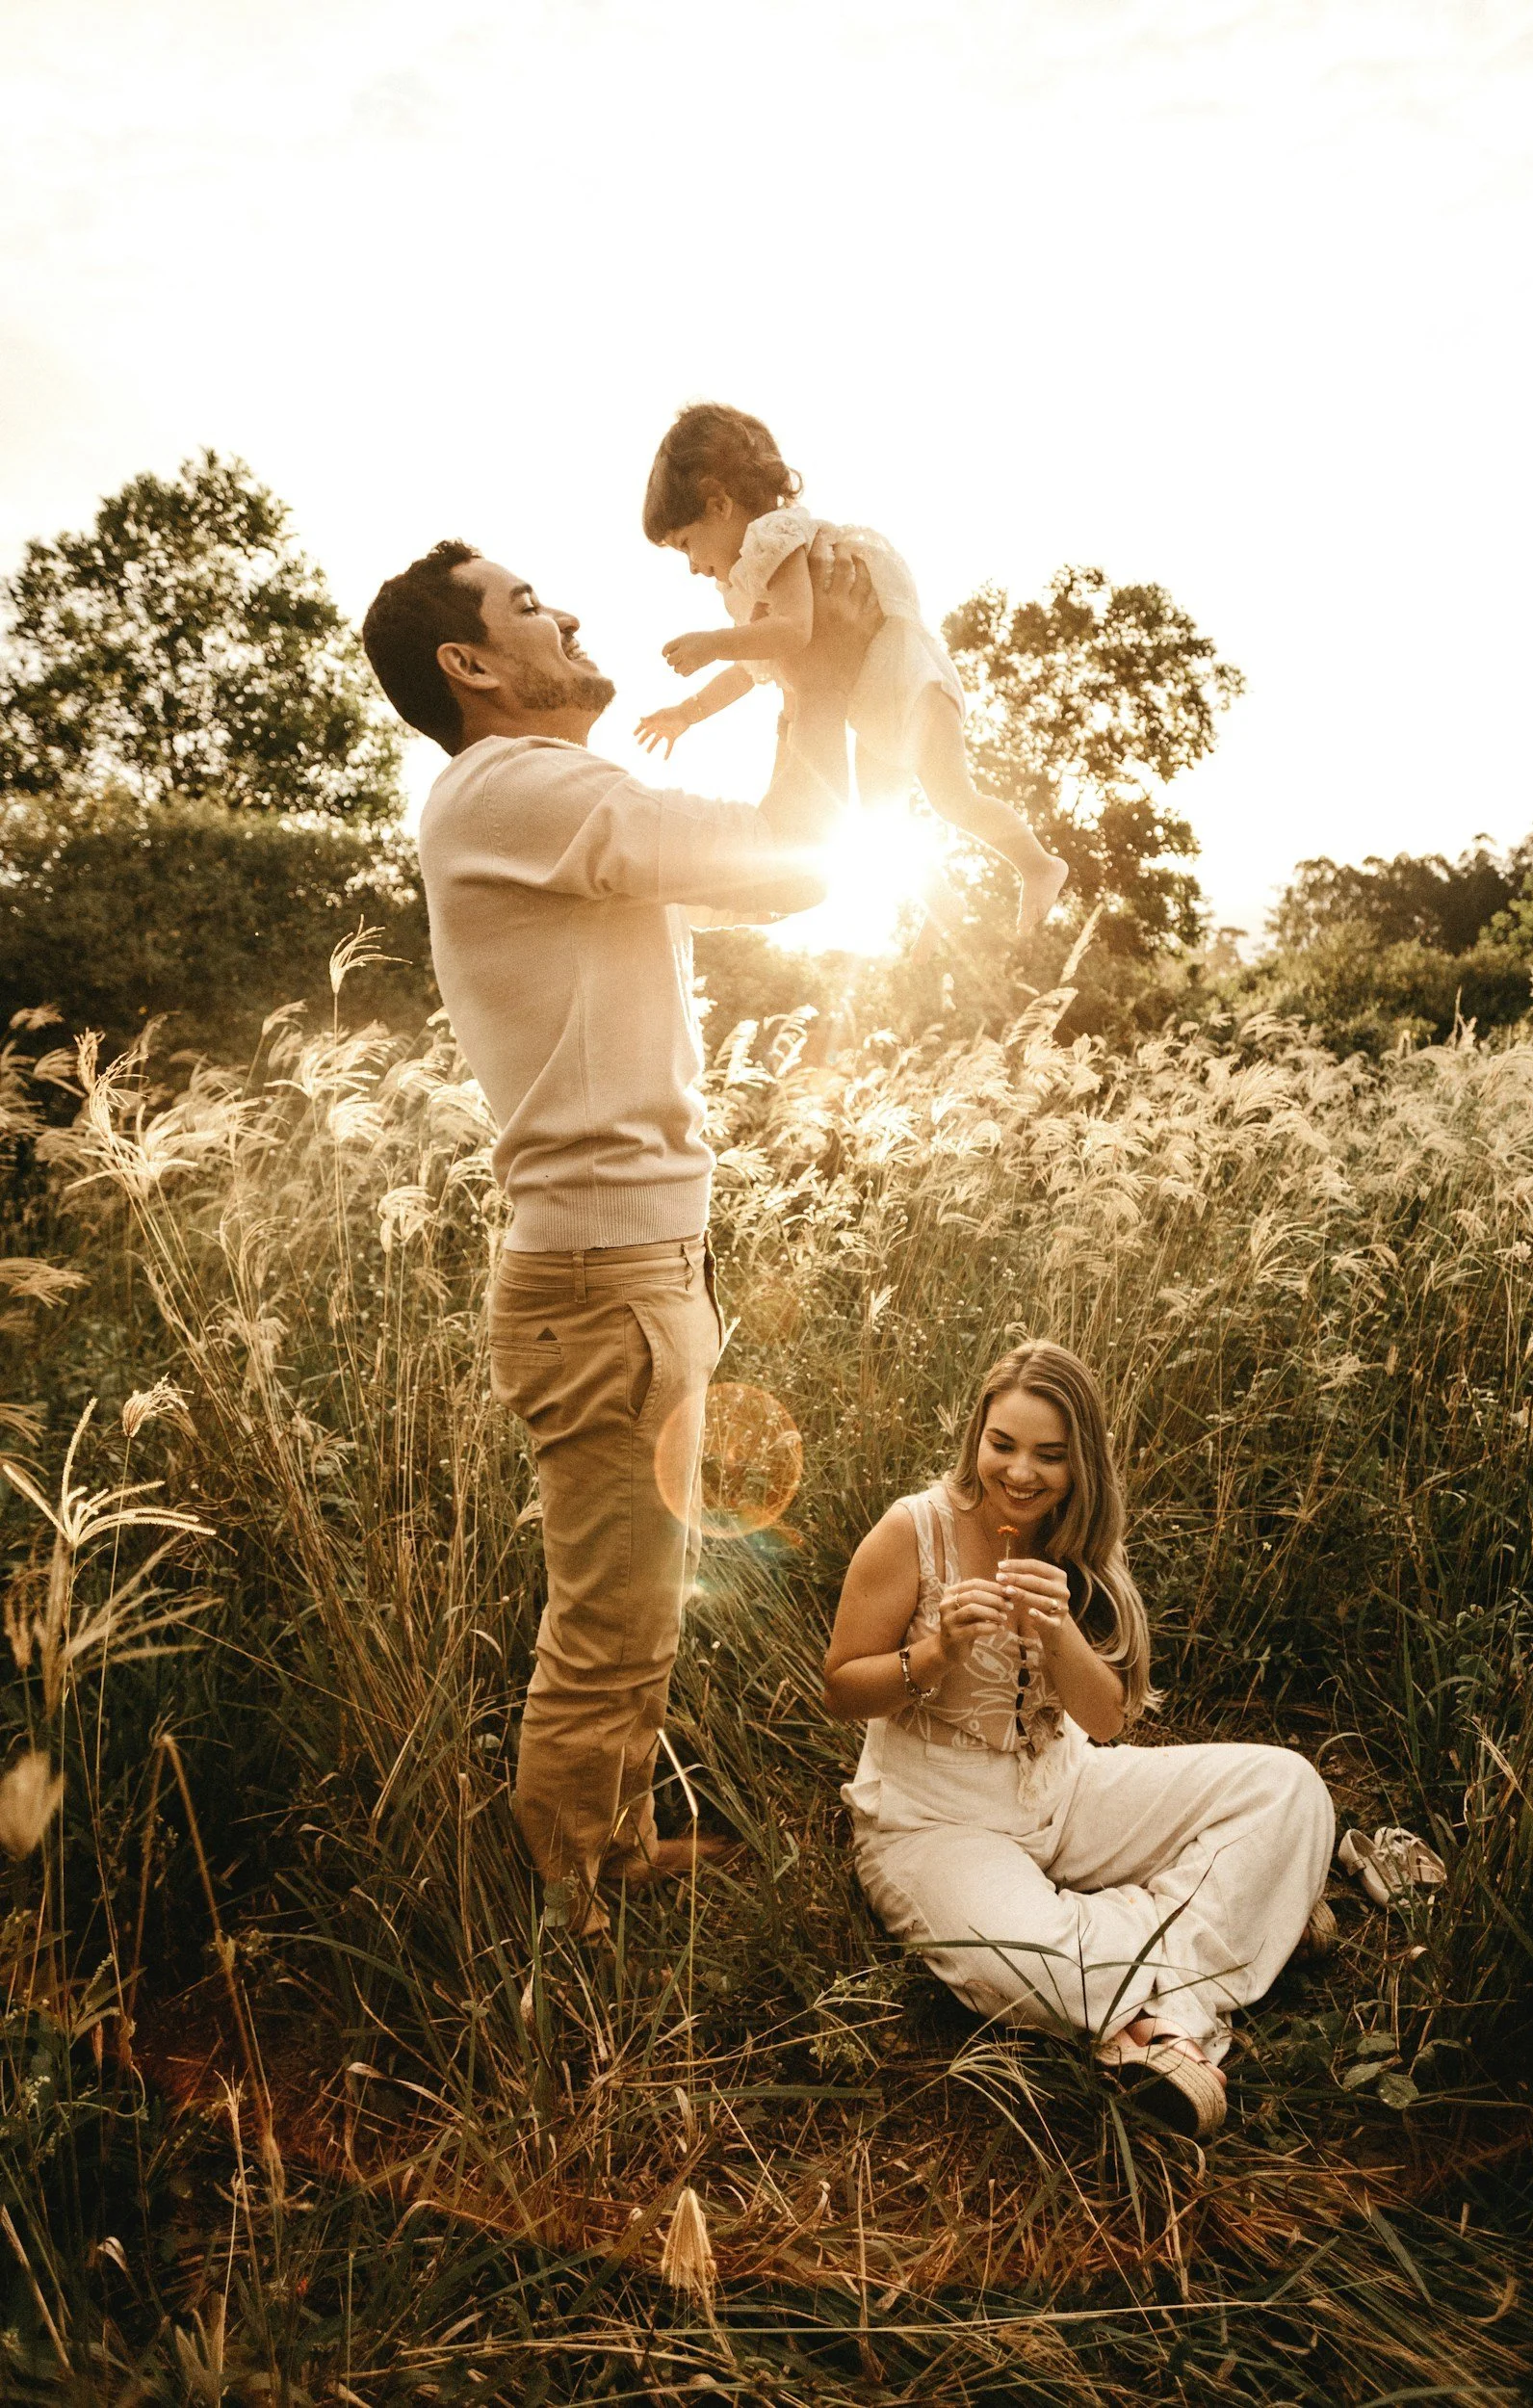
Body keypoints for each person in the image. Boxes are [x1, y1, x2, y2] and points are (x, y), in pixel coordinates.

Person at [361, 536, 881, 1939]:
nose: (570, 610)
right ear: (469, 665)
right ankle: (566, 1924)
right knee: (606, 1622)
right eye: (528, 603)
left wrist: (808, 684)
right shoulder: (514, 785)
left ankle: (618, 1842)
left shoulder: (531, 801)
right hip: (602, 1282)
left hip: (630, 1271)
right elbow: (785, 858)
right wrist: (813, 676)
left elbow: (787, 877)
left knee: (639, 1606)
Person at [822, 1342, 1335, 2135]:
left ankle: (1142, 1977)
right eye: (1002, 1445)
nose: (1020, 1472)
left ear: (1079, 1463)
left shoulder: (1076, 1538)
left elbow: (1105, 1722)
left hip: (1065, 1785)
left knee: (1286, 1786)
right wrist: (934, 1654)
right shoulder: (912, 1529)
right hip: (932, 1820)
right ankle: (1210, 1956)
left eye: (1048, 1455)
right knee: (1035, 1963)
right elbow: (840, 1688)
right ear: (975, 1436)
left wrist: (1057, 1629)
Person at [635, 403, 1070, 936]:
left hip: (907, 678)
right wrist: (689, 711)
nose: (693, 566)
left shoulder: (774, 536)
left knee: (951, 797)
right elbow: (756, 667)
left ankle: (1038, 865)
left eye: (685, 544)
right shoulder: (754, 574)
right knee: (881, 822)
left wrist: (713, 643)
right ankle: (945, 915)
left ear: (720, 503)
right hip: (869, 697)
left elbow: (793, 630)